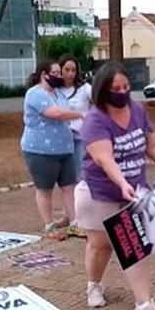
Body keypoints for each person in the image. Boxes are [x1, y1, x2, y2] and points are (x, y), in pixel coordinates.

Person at [74, 61, 155, 310]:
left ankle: (144, 304)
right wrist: (121, 182)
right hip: (99, 193)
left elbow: (153, 145)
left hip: (133, 196)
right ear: (102, 90)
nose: (122, 92)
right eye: (116, 88)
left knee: (134, 247)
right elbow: (105, 159)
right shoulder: (95, 120)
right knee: (100, 246)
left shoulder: (137, 110)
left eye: (126, 86)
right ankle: (94, 284)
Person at [20, 60, 84, 241]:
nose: (59, 76)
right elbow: (55, 114)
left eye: (59, 73)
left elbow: (63, 115)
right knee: (45, 189)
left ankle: (75, 223)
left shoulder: (58, 94)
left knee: (69, 188)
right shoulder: (35, 94)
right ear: (43, 74)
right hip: (41, 151)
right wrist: (80, 114)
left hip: (64, 149)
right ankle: (49, 226)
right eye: (55, 73)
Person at [56, 55, 92, 236]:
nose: (70, 74)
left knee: (80, 177)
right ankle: (68, 214)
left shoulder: (84, 89)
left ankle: (81, 216)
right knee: (65, 180)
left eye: (73, 70)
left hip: (79, 139)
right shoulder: (55, 90)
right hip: (61, 139)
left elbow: (100, 101)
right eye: (66, 70)